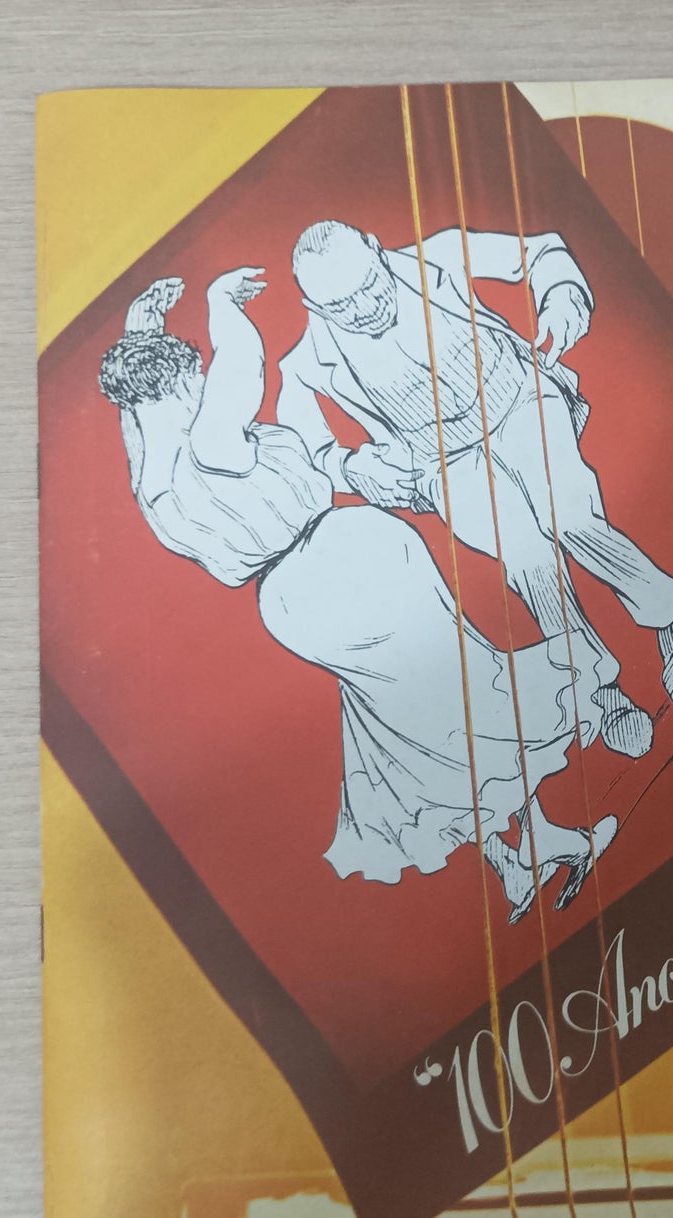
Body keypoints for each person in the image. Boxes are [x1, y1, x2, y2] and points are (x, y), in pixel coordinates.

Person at [97, 267, 615, 918]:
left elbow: (137, 409)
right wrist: (220, 304)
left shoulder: (151, 483)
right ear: (177, 383)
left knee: (413, 727)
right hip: (345, 561)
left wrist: (140, 329)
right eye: (191, 377)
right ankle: (544, 841)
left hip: (288, 606)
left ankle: (514, 862)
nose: (199, 383)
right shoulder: (209, 441)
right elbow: (240, 367)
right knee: (463, 690)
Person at [277, 220, 673, 762]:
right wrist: (350, 467)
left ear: (375, 249)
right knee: (528, 559)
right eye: (344, 306)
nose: (366, 307)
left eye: (371, 284)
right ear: (314, 306)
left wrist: (562, 295)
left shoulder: (438, 256)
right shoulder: (304, 365)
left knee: (571, 518)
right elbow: (308, 447)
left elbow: (542, 252)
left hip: (518, 401)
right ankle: (601, 690)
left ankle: (672, 625)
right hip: (443, 462)